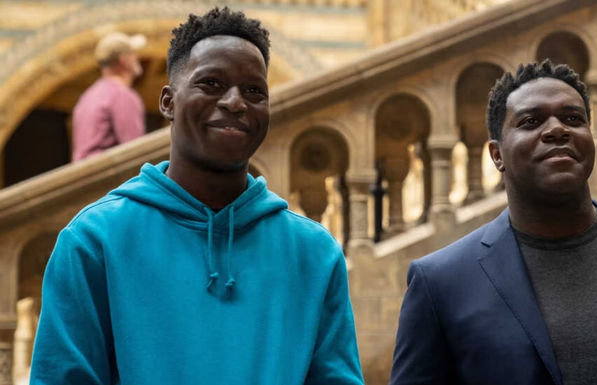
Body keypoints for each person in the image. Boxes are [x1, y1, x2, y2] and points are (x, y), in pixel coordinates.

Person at [31, 8, 364, 385]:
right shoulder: (94, 242)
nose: (236, 102)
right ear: (168, 102)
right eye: (212, 83)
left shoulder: (314, 253)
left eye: (254, 90)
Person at [389, 60, 597, 385]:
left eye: (572, 118)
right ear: (497, 154)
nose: (556, 129)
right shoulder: (441, 283)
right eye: (530, 122)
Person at [72, 31, 146, 161]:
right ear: (124, 60)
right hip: (109, 179)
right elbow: (135, 152)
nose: (137, 57)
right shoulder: (122, 96)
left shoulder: (88, 96)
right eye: (133, 53)